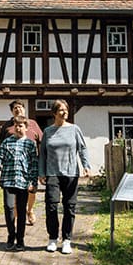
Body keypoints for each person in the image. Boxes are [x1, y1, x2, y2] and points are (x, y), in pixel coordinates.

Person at [37, 99, 91, 254]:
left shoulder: (74, 129)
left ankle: (67, 240)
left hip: (71, 173)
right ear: (54, 113)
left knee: (69, 206)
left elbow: (82, 148)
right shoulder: (48, 131)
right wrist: (41, 172)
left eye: (66, 109)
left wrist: (86, 165)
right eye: (60, 109)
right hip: (52, 173)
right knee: (51, 205)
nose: (64, 112)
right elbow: (43, 155)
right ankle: (53, 238)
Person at [0, 116, 39, 251]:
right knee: (9, 207)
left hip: (23, 182)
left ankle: (21, 239)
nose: (18, 128)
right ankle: (11, 236)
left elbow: (34, 165)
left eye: (21, 126)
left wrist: (33, 182)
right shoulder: (7, 142)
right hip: (8, 180)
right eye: (16, 126)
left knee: (22, 211)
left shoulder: (30, 144)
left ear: (26, 128)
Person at [0, 100, 43, 226]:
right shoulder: (7, 126)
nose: (18, 110)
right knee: (16, 190)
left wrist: (40, 159)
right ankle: (18, 215)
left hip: (30, 163)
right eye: (15, 108)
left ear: (24, 109)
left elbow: (41, 140)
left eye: (20, 107)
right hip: (13, 165)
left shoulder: (32, 123)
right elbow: (1, 144)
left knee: (31, 190)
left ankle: (29, 210)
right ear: (12, 112)